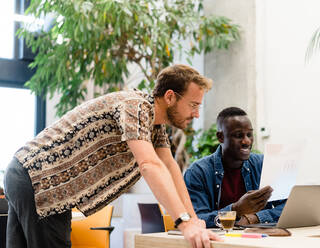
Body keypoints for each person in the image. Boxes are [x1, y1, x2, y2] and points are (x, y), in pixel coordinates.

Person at [4, 64, 222, 248]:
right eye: (193, 105)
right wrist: (183, 223)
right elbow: (149, 165)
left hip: (26, 173)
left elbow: (170, 168)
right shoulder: (135, 106)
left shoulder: (154, 126)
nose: (196, 114)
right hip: (41, 181)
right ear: (170, 97)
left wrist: (194, 220)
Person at [184, 107, 286, 228]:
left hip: (259, 239)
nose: (246, 141)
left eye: (249, 134)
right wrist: (235, 210)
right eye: (238, 135)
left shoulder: (263, 164)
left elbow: (288, 205)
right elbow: (196, 219)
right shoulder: (198, 172)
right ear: (220, 137)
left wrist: (255, 218)